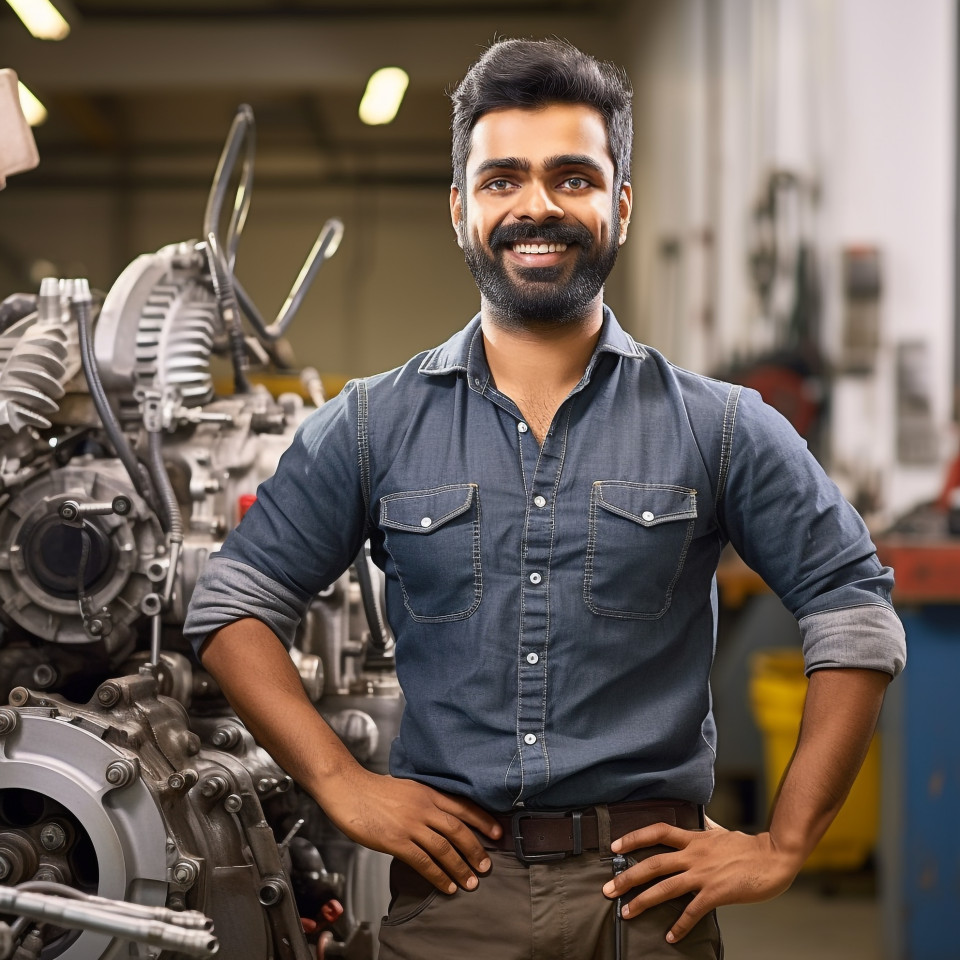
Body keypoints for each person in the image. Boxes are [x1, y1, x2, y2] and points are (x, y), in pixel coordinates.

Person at [184, 37, 906, 960]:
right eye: (503, 180)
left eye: (573, 178)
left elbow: (852, 607)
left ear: (621, 205)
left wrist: (785, 843)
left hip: (648, 908)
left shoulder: (720, 426)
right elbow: (232, 605)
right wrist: (339, 780)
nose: (537, 207)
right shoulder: (371, 425)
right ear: (461, 209)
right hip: (454, 901)